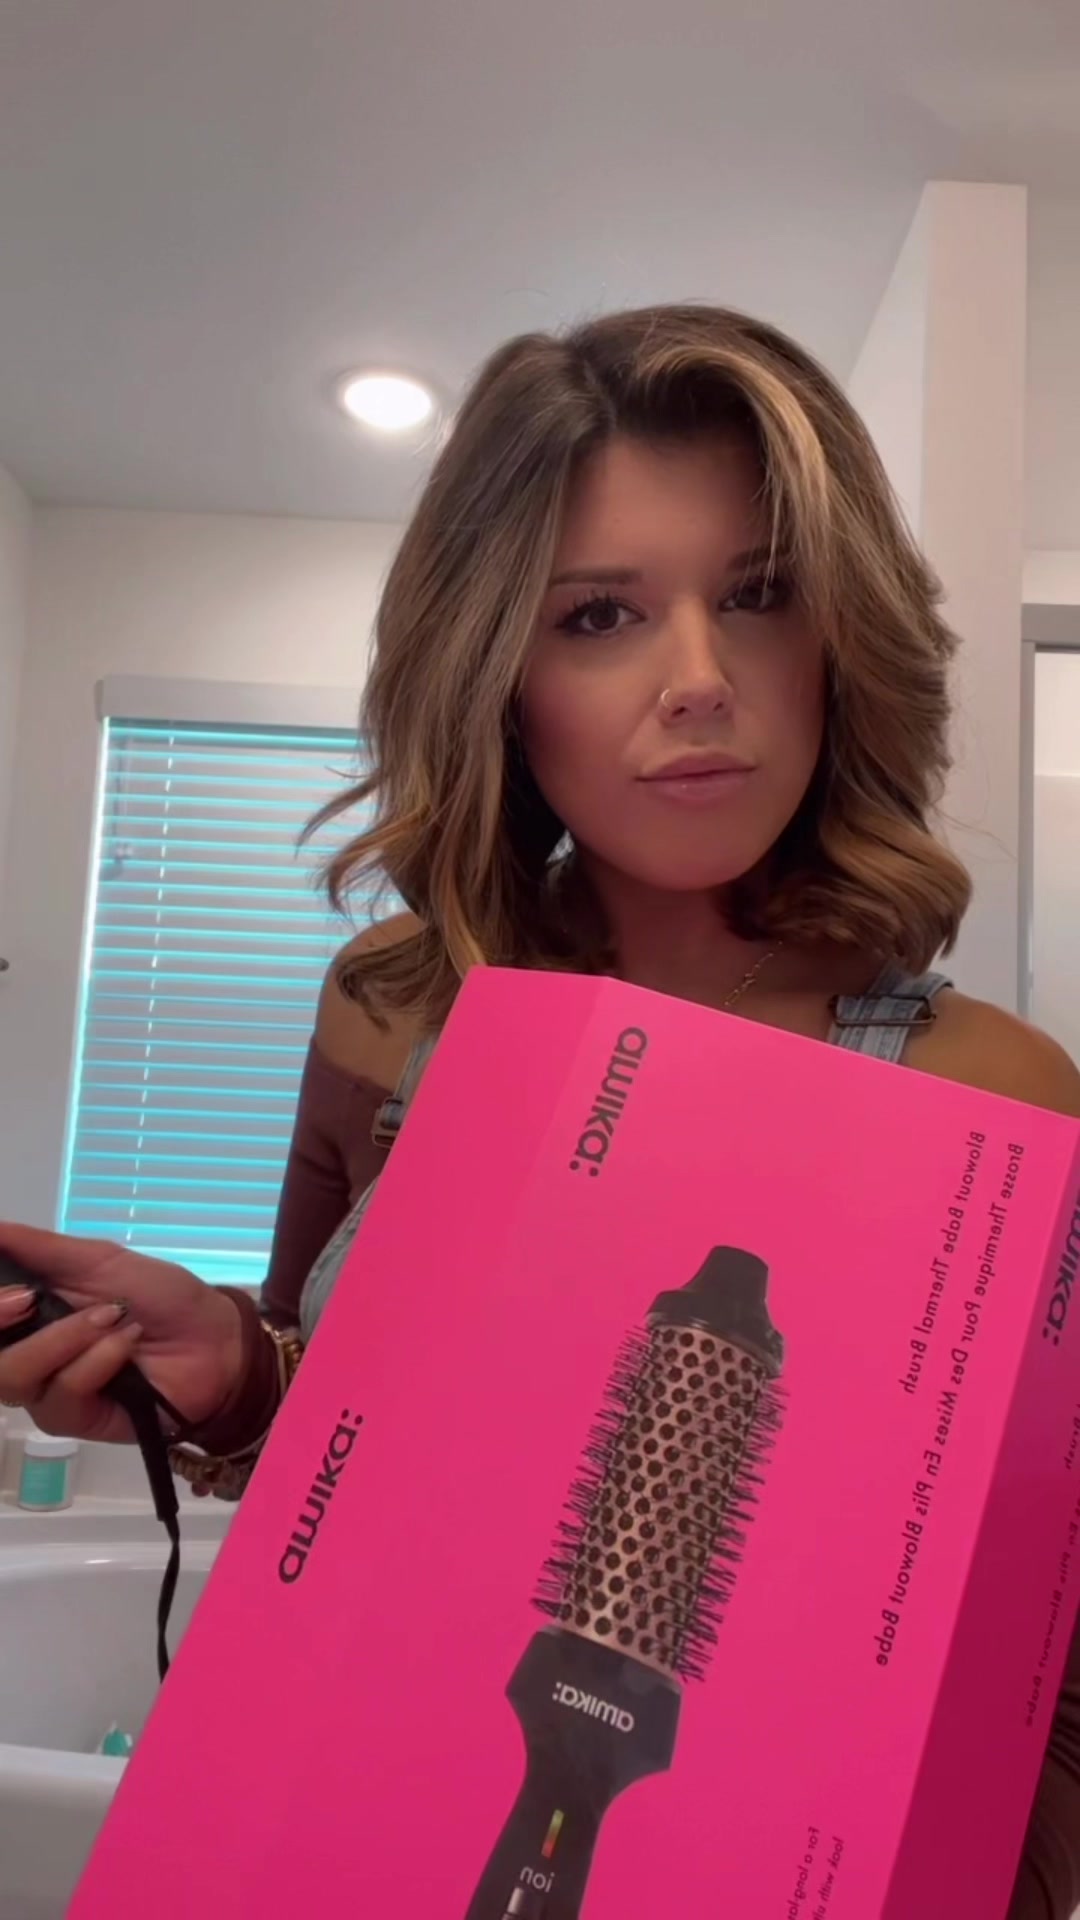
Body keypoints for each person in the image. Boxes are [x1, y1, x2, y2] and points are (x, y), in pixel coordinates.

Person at [0, 305, 1077, 1916]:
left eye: (759, 594)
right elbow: (344, 1459)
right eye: (601, 616)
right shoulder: (392, 1010)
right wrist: (231, 1378)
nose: (699, 680)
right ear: (502, 677)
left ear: (840, 638)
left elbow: (1040, 1673)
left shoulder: (992, 1099)